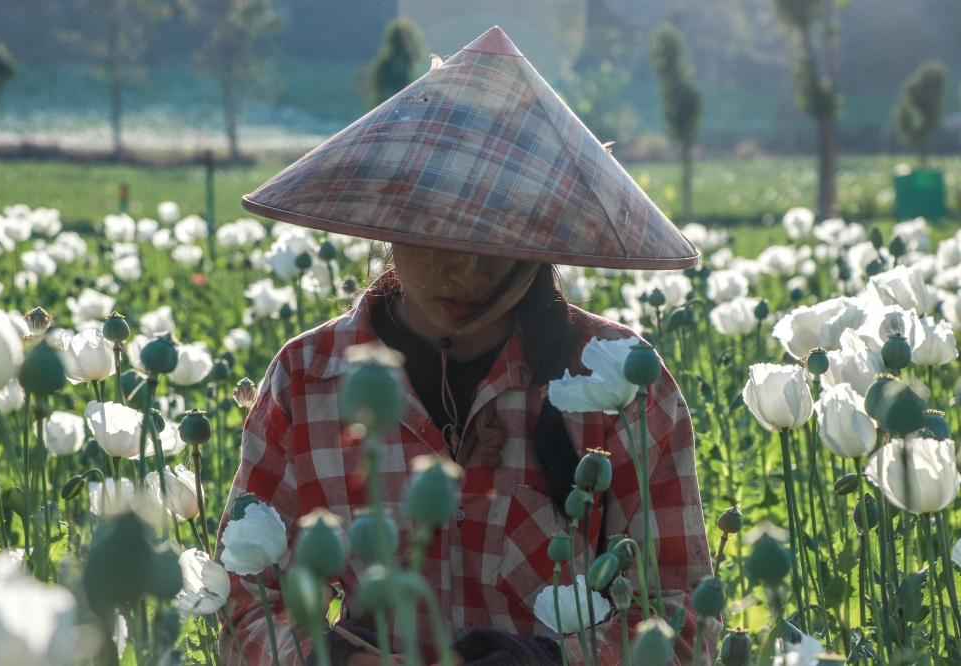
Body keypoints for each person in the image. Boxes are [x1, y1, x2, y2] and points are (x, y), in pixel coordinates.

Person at [216, 26, 716, 666]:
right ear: (387, 220)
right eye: (438, 235)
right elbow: (242, 602)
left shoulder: (620, 382)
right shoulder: (308, 380)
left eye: (499, 242)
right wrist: (331, 658)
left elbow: (682, 615)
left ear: (544, 239)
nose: (467, 273)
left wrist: (543, 661)